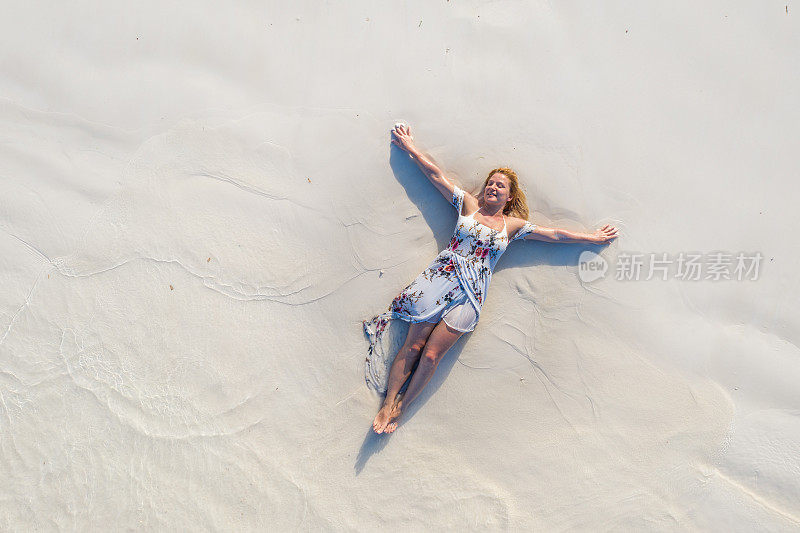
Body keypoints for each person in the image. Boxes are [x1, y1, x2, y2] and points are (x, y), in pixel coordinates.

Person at [364, 123, 618, 434]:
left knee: (431, 356)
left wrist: (591, 238)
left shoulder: (512, 226)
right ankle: (389, 401)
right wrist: (410, 148)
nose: (492, 188)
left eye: (500, 186)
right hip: (440, 279)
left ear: (509, 197)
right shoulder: (468, 207)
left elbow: (553, 234)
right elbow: (436, 177)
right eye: (490, 183)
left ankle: (403, 406)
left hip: (471, 293)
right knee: (414, 346)